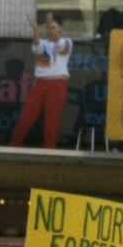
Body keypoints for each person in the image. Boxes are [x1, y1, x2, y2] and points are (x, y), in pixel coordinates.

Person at [9, 13, 72, 149]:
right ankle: (13, 147)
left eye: (53, 27)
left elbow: (59, 44)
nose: (50, 30)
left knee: (52, 121)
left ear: (60, 29)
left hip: (57, 84)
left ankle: (49, 152)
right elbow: (39, 49)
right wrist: (35, 31)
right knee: (26, 117)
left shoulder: (66, 42)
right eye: (48, 28)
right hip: (40, 83)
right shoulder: (42, 42)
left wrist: (48, 22)